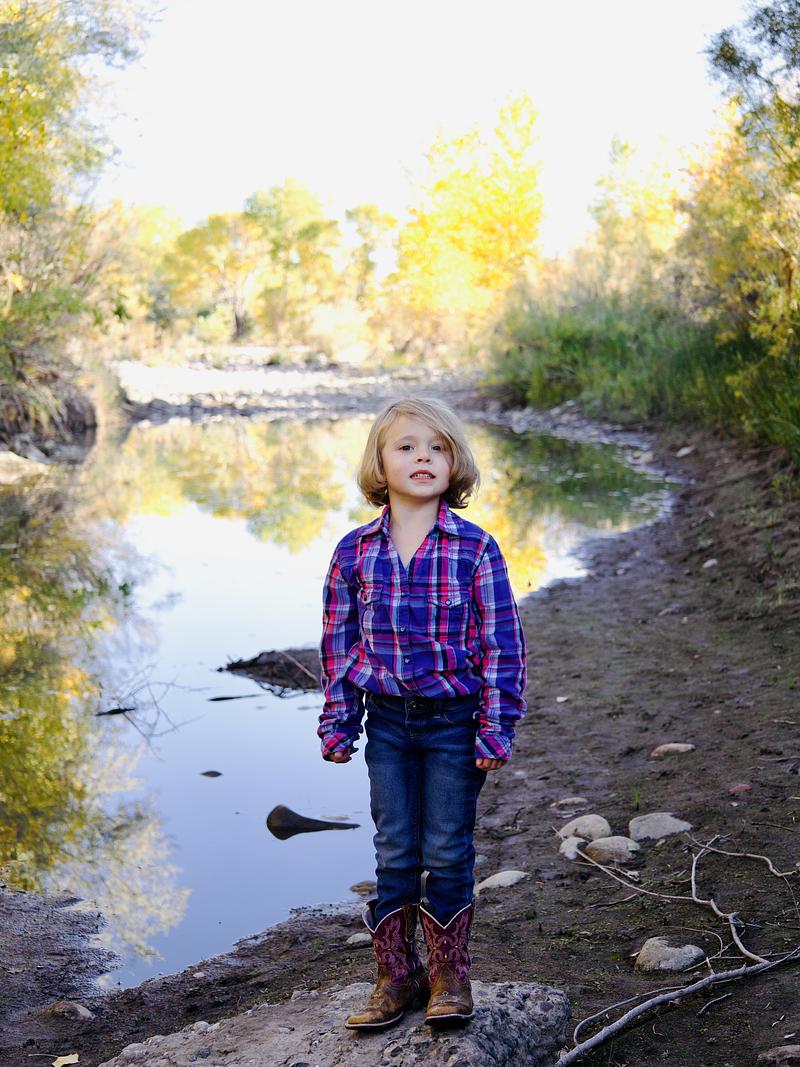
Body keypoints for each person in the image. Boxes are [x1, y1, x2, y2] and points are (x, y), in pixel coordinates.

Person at [318, 396, 527, 1030]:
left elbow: (502, 645)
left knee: (447, 846)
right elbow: (339, 645)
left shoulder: (475, 548)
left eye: (438, 447)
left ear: (454, 462)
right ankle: (395, 977)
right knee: (394, 847)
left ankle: (448, 977)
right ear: (379, 464)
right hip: (385, 722)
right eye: (406, 447)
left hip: (454, 723)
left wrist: (495, 726)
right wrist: (338, 721)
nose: (423, 458)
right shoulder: (354, 552)